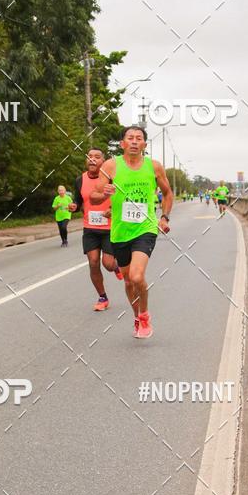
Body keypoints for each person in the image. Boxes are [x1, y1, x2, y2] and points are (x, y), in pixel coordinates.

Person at [90, 125, 173, 338]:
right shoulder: (110, 165)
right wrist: (104, 192)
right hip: (119, 231)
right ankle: (136, 316)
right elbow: (94, 197)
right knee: (127, 281)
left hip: (145, 228)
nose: (135, 141)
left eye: (139, 138)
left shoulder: (154, 167)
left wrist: (164, 217)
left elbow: (168, 193)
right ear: (123, 143)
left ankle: (145, 316)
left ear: (144, 144)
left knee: (137, 276)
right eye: (130, 138)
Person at [70, 149, 122, 311]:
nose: (92, 159)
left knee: (107, 263)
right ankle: (102, 297)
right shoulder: (80, 180)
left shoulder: (113, 179)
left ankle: (116, 267)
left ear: (104, 162)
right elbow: (79, 202)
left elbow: (122, 198)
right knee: (93, 263)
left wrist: (113, 210)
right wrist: (74, 206)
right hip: (90, 228)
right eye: (89, 157)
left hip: (109, 227)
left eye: (97, 157)